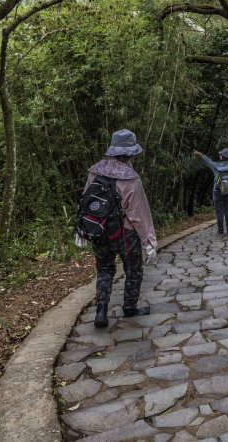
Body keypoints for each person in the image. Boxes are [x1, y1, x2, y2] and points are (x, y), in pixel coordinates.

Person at [85, 129, 157, 328]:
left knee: (104, 269)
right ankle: (130, 307)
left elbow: (87, 201)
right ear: (132, 152)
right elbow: (139, 214)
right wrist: (149, 241)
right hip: (125, 234)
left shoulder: (95, 171)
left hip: (99, 230)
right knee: (134, 270)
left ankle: (101, 310)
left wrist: (82, 228)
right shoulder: (132, 179)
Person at [193, 147, 228, 235]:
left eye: (221, 154)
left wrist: (199, 154)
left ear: (223, 156)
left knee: (219, 211)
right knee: (227, 211)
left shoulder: (215, 166)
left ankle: (220, 230)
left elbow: (207, 160)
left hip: (217, 191)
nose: (220, 155)